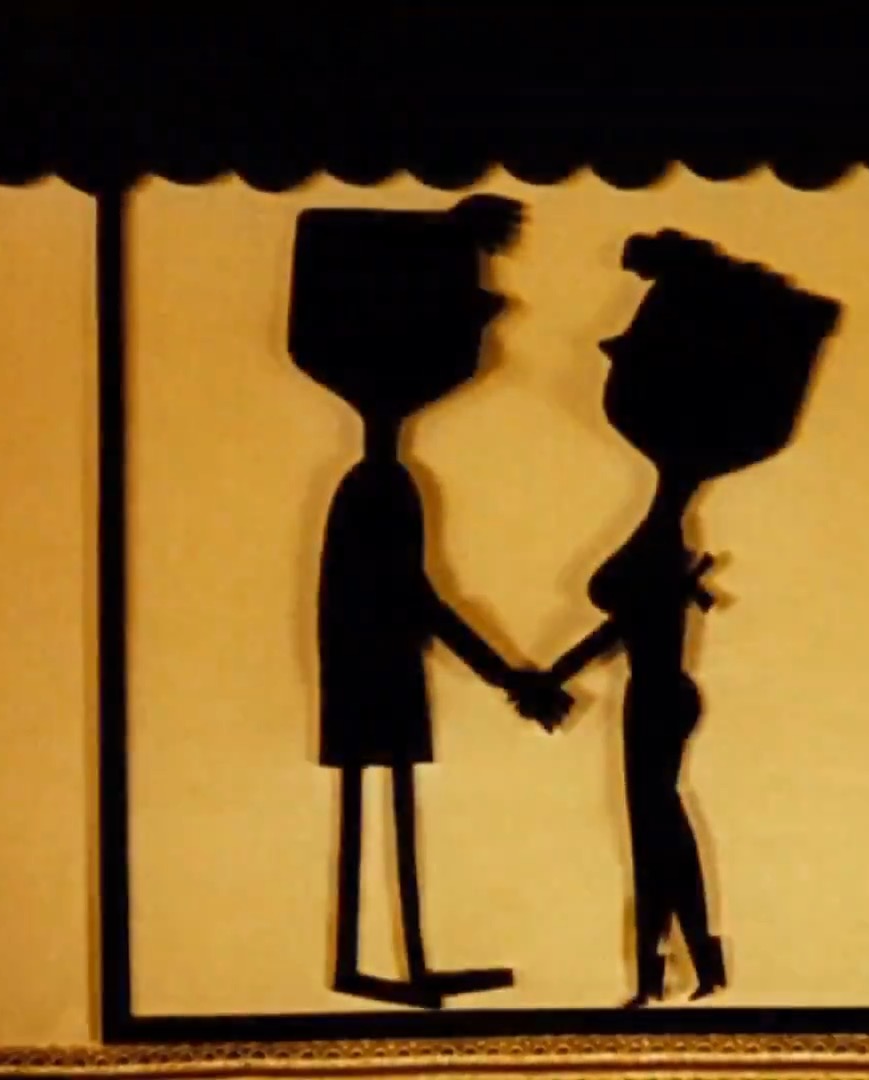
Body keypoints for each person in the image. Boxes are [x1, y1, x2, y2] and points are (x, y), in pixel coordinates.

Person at [519, 229, 843, 1007]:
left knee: (655, 830)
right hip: (657, 697)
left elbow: (619, 620)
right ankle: (682, 966)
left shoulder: (665, 536)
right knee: (657, 828)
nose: (615, 352)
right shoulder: (667, 533)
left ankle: (669, 969)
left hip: (658, 699)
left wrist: (554, 674)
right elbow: (622, 611)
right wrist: (555, 673)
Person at [288, 194, 572, 1010]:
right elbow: (419, 600)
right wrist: (506, 676)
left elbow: (412, 597)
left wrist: (507, 676)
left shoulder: (376, 482)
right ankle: (374, 963)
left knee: (383, 789)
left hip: (368, 661)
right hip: (372, 665)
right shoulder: (382, 486)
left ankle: (397, 958)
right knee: (382, 788)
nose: (488, 346)